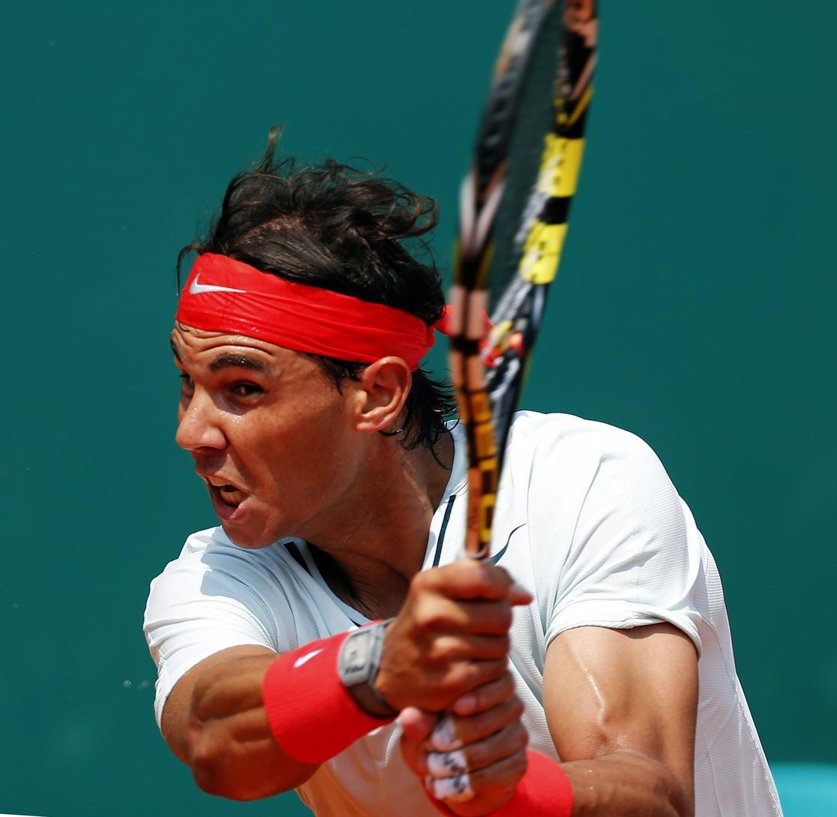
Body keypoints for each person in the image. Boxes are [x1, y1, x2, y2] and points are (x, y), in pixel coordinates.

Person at [143, 134, 783, 817]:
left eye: (243, 389)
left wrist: (516, 793)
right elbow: (214, 738)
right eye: (188, 383)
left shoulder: (581, 484)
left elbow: (651, 794)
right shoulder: (214, 577)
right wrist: (377, 665)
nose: (191, 432)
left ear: (378, 395)